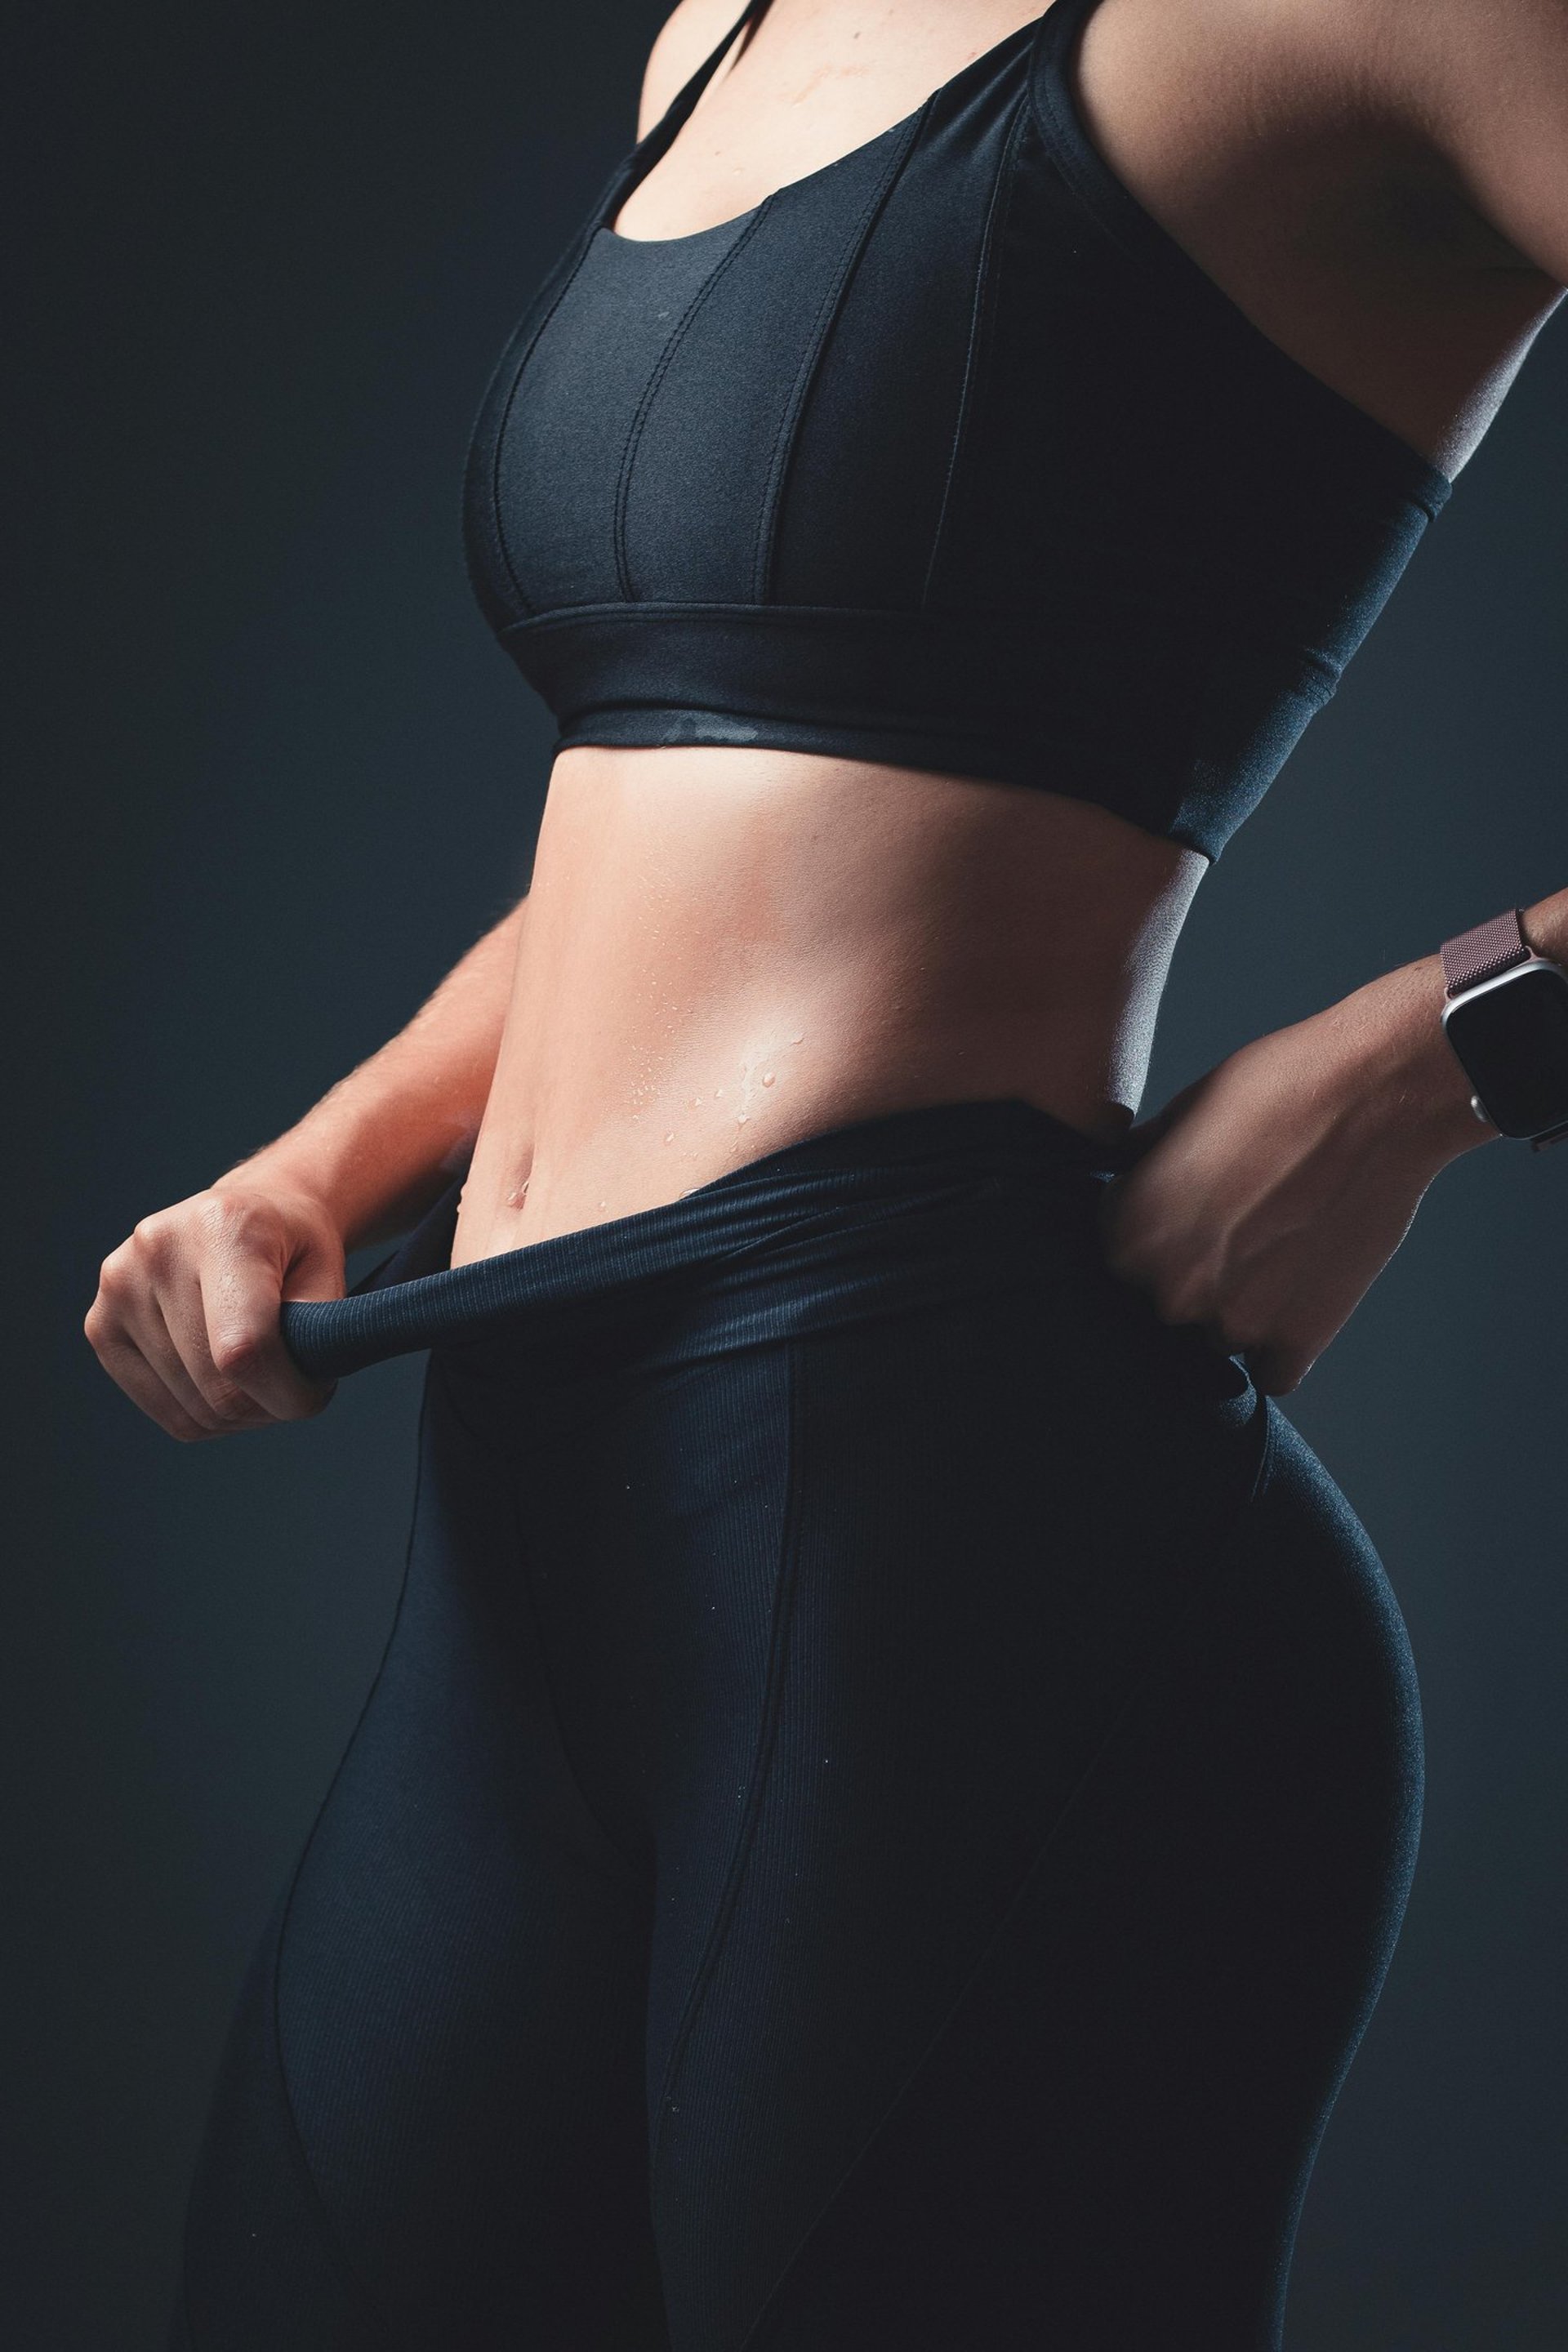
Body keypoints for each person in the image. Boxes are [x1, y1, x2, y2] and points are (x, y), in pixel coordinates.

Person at [84, 2, 1568, 2345]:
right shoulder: (731, 19)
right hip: (517, 1547)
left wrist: (1428, 1058)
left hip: (962, 1537)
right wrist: (319, 1160)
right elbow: (729, 772)